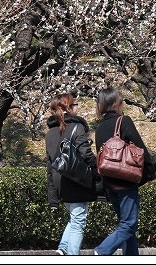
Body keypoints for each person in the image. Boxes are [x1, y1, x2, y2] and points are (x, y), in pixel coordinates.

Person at [92, 87, 156, 256]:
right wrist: (150, 172)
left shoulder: (99, 128)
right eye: (122, 101)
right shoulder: (124, 121)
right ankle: (102, 251)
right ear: (116, 103)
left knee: (126, 226)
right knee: (129, 224)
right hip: (125, 180)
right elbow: (140, 149)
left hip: (109, 182)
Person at [45, 92, 99, 255]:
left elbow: (49, 165)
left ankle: (63, 248)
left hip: (60, 180)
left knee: (74, 218)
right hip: (75, 178)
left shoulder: (50, 133)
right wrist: (99, 168)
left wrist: (52, 196)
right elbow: (85, 153)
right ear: (69, 108)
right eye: (75, 104)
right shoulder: (77, 127)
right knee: (79, 221)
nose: (78, 107)